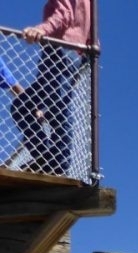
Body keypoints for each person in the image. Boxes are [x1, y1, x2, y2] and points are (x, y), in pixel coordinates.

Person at [13, 0, 92, 175]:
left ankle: (58, 163)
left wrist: (42, 30)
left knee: (58, 108)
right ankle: (46, 157)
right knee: (24, 107)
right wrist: (87, 56)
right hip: (72, 55)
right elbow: (91, 32)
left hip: (58, 50)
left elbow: (63, 14)